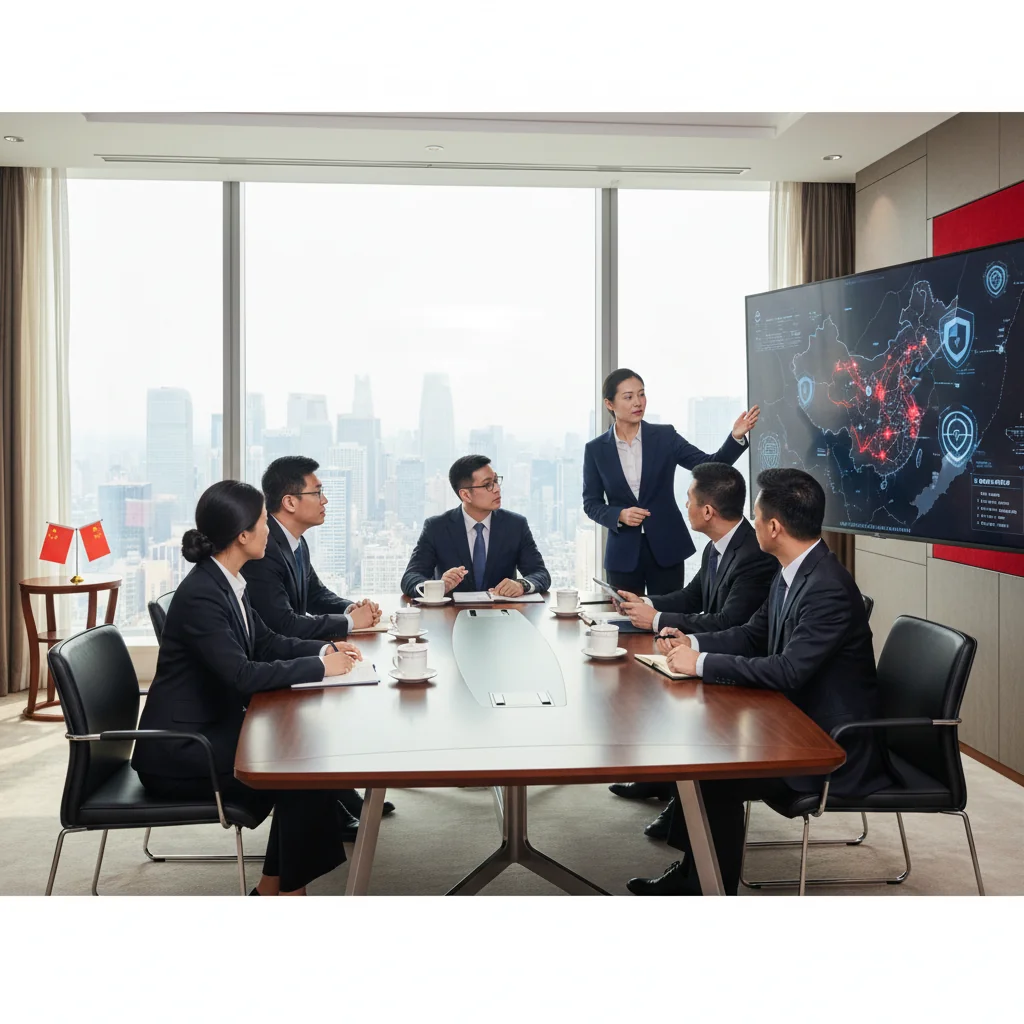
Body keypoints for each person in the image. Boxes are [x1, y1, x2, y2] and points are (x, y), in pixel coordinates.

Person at [626, 468, 890, 896]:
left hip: (828, 744)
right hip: (795, 718)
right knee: (705, 751)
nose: (749, 522)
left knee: (714, 774)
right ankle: (695, 871)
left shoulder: (827, 587)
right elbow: (752, 634)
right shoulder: (792, 571)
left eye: (755, 514)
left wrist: (702, 664)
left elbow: (788, 670)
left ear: (773, 526)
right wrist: (688, 643)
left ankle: (706, 889)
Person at [132, 480, 364, 895]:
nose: (269, 531)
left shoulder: (227, 582)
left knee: (307, 757)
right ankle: (285, 891)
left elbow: (267, 642)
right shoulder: (203, 594)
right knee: (302, 768)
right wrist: (319, 667)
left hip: (214, 728)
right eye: (262, 522)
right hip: (182, 752)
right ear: (242, 536)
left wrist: (326, 648)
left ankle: (275, 888)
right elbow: (241, 674)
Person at [605, 463, 777, 836]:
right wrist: (646, 603)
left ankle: (680, 801)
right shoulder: (719, 546)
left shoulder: (753, 555)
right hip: (716, 648)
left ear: (707, 512)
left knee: (668, 696)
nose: (685, 506)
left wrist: (656, 620)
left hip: (739, 662)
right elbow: (694, 596)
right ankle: (662, 781)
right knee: (648, 686)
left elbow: (731, 622)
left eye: (688, 500)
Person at [241, 455, 393, 825]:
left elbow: (314, 592)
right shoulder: (264, 550)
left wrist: (352, 609)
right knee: (336, 692)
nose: (325, 500)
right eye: (319, 492)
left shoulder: (293, 541)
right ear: (290, 502)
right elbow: (282, 623)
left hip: (278, 650)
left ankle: (339, 795)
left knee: (347, 679)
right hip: (264, 664)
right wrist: (346, 623)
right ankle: (327, 804)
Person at [582, 368, 759, 595]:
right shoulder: (596, 449)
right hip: (622, 554)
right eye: (628, 397)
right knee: (625, 620)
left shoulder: (665, 437)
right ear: (610, 404)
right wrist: (619, 515)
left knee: (667, 621)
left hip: (666, 547)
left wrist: (735, 437)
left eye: (641, 394)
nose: (638, 402)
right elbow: (591, 503)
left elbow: (710, 466)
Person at [401, 454, 551, 598]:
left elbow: (540, 574)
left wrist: (521, 585)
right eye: (488, 485)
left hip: (501, 615)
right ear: (466, 495)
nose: (497, 489)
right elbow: (410, 578)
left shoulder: (515, 525)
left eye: (496, 481)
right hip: (450, 616)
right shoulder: (436, 528)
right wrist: (437, 587)